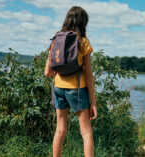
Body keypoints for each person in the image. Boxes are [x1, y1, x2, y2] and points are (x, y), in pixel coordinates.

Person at [44, 6, 97, 157]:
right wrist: (93, 102)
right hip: (77, 89)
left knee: (60, 130)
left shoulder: (56, 41)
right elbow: (88, 75)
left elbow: (47, 72)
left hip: (58, 88)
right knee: (86, 132)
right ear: (83, 23)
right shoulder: (83, 42)